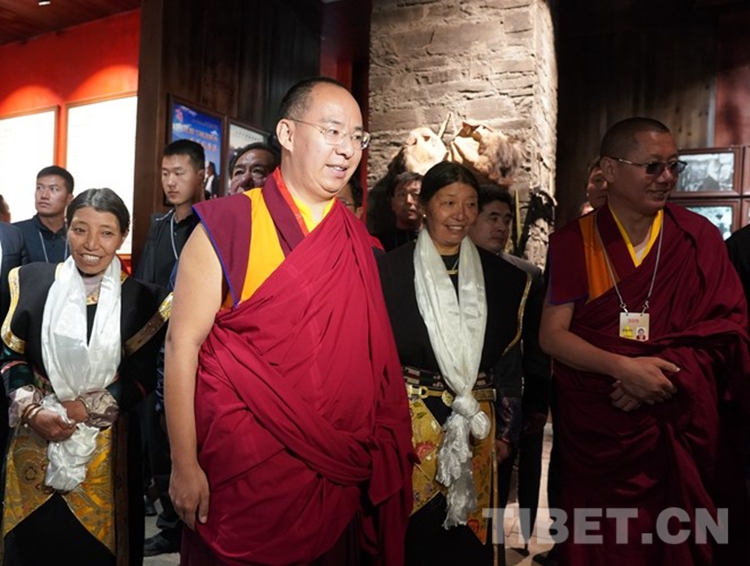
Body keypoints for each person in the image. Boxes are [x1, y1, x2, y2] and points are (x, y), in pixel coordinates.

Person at [165, 77, 414, 565]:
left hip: (337, 469)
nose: (347, 149)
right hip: (243, 475)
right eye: (332, 131)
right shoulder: (229, 224)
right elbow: (181, 347)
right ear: (287, 133)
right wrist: (183, 463)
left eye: (357, 137)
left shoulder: (360, 244)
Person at [540, 117, 750, 565]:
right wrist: (623, 369)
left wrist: (661, 374)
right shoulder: (574, 242)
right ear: (610, 170)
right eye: (653, 166)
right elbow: (553, 336)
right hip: (601, 436)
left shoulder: (698, 238)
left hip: (675, 430)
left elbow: (727, 329)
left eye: (674, 166)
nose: (667, 178)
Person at [0, 188, 171, 566]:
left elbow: (141, 376)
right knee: (30, 544)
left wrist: (85, 408)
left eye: (106, 232)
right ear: (67, 228)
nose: (91, 244)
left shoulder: (144, 300)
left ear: (122, 236)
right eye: (80, 229)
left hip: (105, 448)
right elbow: (11, 355)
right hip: (34, 438)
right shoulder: (30, 281)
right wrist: (33, 410)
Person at [378, 161, 530, 565]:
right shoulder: (388, 272)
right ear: (425, 206)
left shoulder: (505, 280)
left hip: (478, 424)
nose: (460, 215)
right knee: (414, 535)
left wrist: (507, 432)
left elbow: (509, 365)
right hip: (410, 423)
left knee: (470, 537)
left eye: (470, 204)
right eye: (448, 203)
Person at [468, 184, 551, 545]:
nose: (501, 227)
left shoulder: (526, 275)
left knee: (497, 490)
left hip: (504, 394)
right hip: (457, 394)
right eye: (492, 218)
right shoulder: (445, 268)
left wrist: (536, 401)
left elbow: (535, 347)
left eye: (506, 219)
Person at [136, 138, 204, 556]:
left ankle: (187, 526)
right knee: (154, 441)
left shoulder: (210, 223)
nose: (171, 182)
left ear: (201, 174)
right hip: (153, 344)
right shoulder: (159, 225)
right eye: (165, 173)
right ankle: (168, 523)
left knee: (183, 437)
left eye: (180, 173)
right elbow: (145, 283)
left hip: (191, 347)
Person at [14, 165, 74, 263]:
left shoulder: (76, 233)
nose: (44, 195)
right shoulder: (15, 233)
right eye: (39, 188)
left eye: (53, 189)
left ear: (69, 199)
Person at [373, 171, 423, 252]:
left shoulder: (437, 240)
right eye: (402, 195)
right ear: (393, 203)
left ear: (426, 202)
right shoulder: (377, 244)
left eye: (415, 195)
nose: (408, 201)